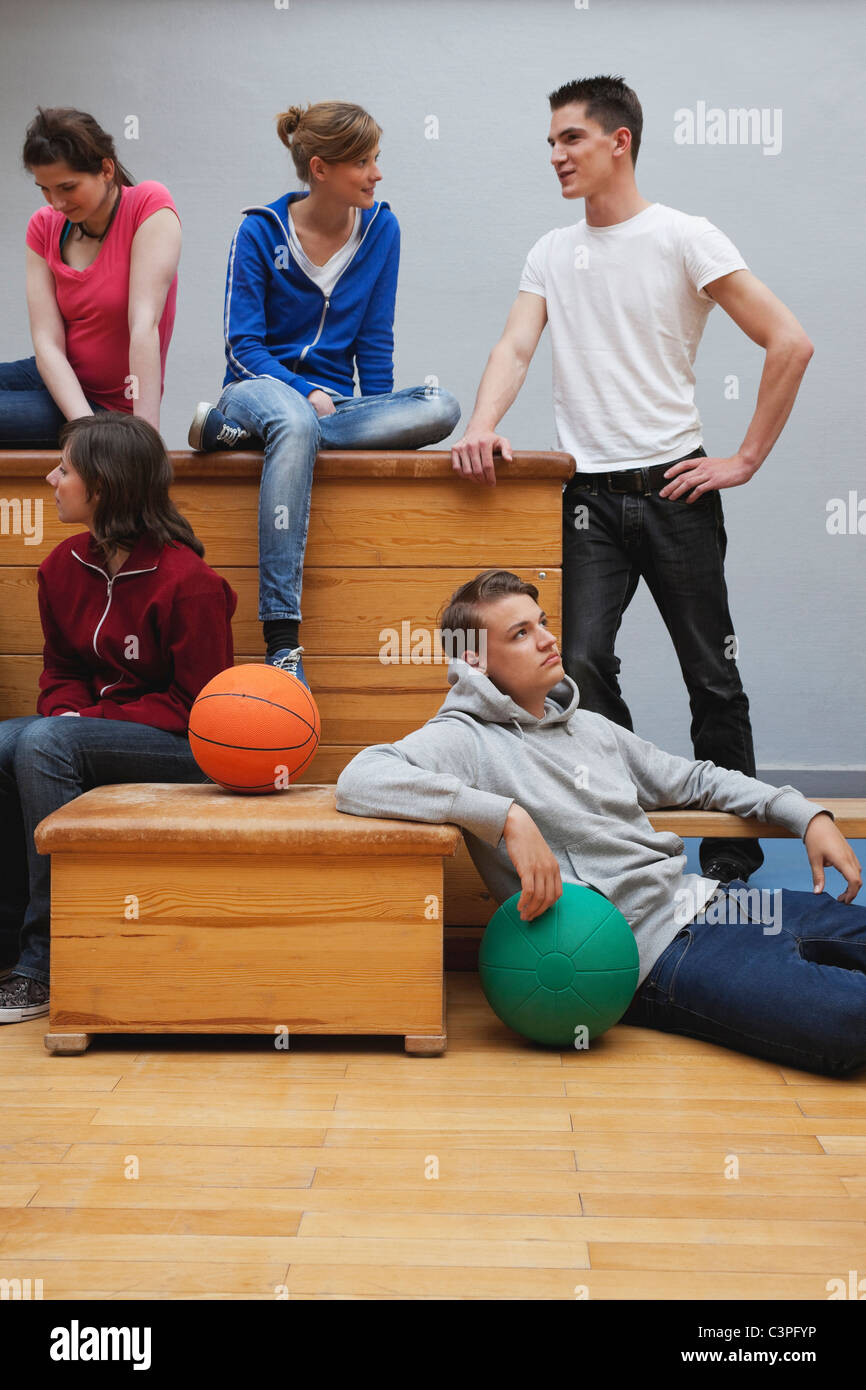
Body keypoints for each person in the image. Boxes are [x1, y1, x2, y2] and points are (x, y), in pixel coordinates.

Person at [450, 75, 815, 889]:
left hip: (677, 490)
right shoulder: (551, 251)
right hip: (588, 498)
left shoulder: (686, 237)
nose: (555, 155)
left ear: (619, 142)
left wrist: (744, 459)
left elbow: (789, 341)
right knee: (575, 664)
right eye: (549, 142)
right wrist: (481, 424)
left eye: (570, 138)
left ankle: (729, 863)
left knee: (712, 677)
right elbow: (515, 347)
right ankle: (631, 828)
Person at [335, 570, 865, 1077]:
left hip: (716, 901)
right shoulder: (464, 739)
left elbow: (699, 779)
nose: (547, 640)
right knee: (848, 1023)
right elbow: (361, 778)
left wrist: (805, 815)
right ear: (473, 661)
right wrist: (505, 816)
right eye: (521, 633)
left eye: (541, 623)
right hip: (655, 956)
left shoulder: (592, 728)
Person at [188, 100, 460, 689]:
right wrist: (303, 391)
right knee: (293, 419)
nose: (376, 173)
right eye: (363, 162)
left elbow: (375, 341)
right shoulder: (259, 230)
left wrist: (378, 421)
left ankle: (237, 440)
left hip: (333, 411)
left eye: (375, 158)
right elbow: (243, 347)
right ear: (320, 168)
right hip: (257, 388)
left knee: (441, 406)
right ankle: (282, 637)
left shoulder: (381, 228)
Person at [0, 413, 237, 1025]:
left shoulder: (189, 583)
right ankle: (9, 949)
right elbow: (58, 674)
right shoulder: (61, 567)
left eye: (65, 468)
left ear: (102, 486)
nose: (52, 478)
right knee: (12, 742)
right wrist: (72, 715)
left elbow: (201, 709)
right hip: (83, 731)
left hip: (185, 746)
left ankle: (46, 964)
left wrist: (81, 722)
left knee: (45, 743)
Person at [0, 107, 181, 446]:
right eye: (45, 189)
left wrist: (143, 440)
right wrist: (84, 428)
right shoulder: (43, 226)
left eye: (67, 187)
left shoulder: (147, 205)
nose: (56, 202)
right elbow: (47, 343)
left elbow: (144, 324)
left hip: (110, 408)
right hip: (59, 384)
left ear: (106, 169)